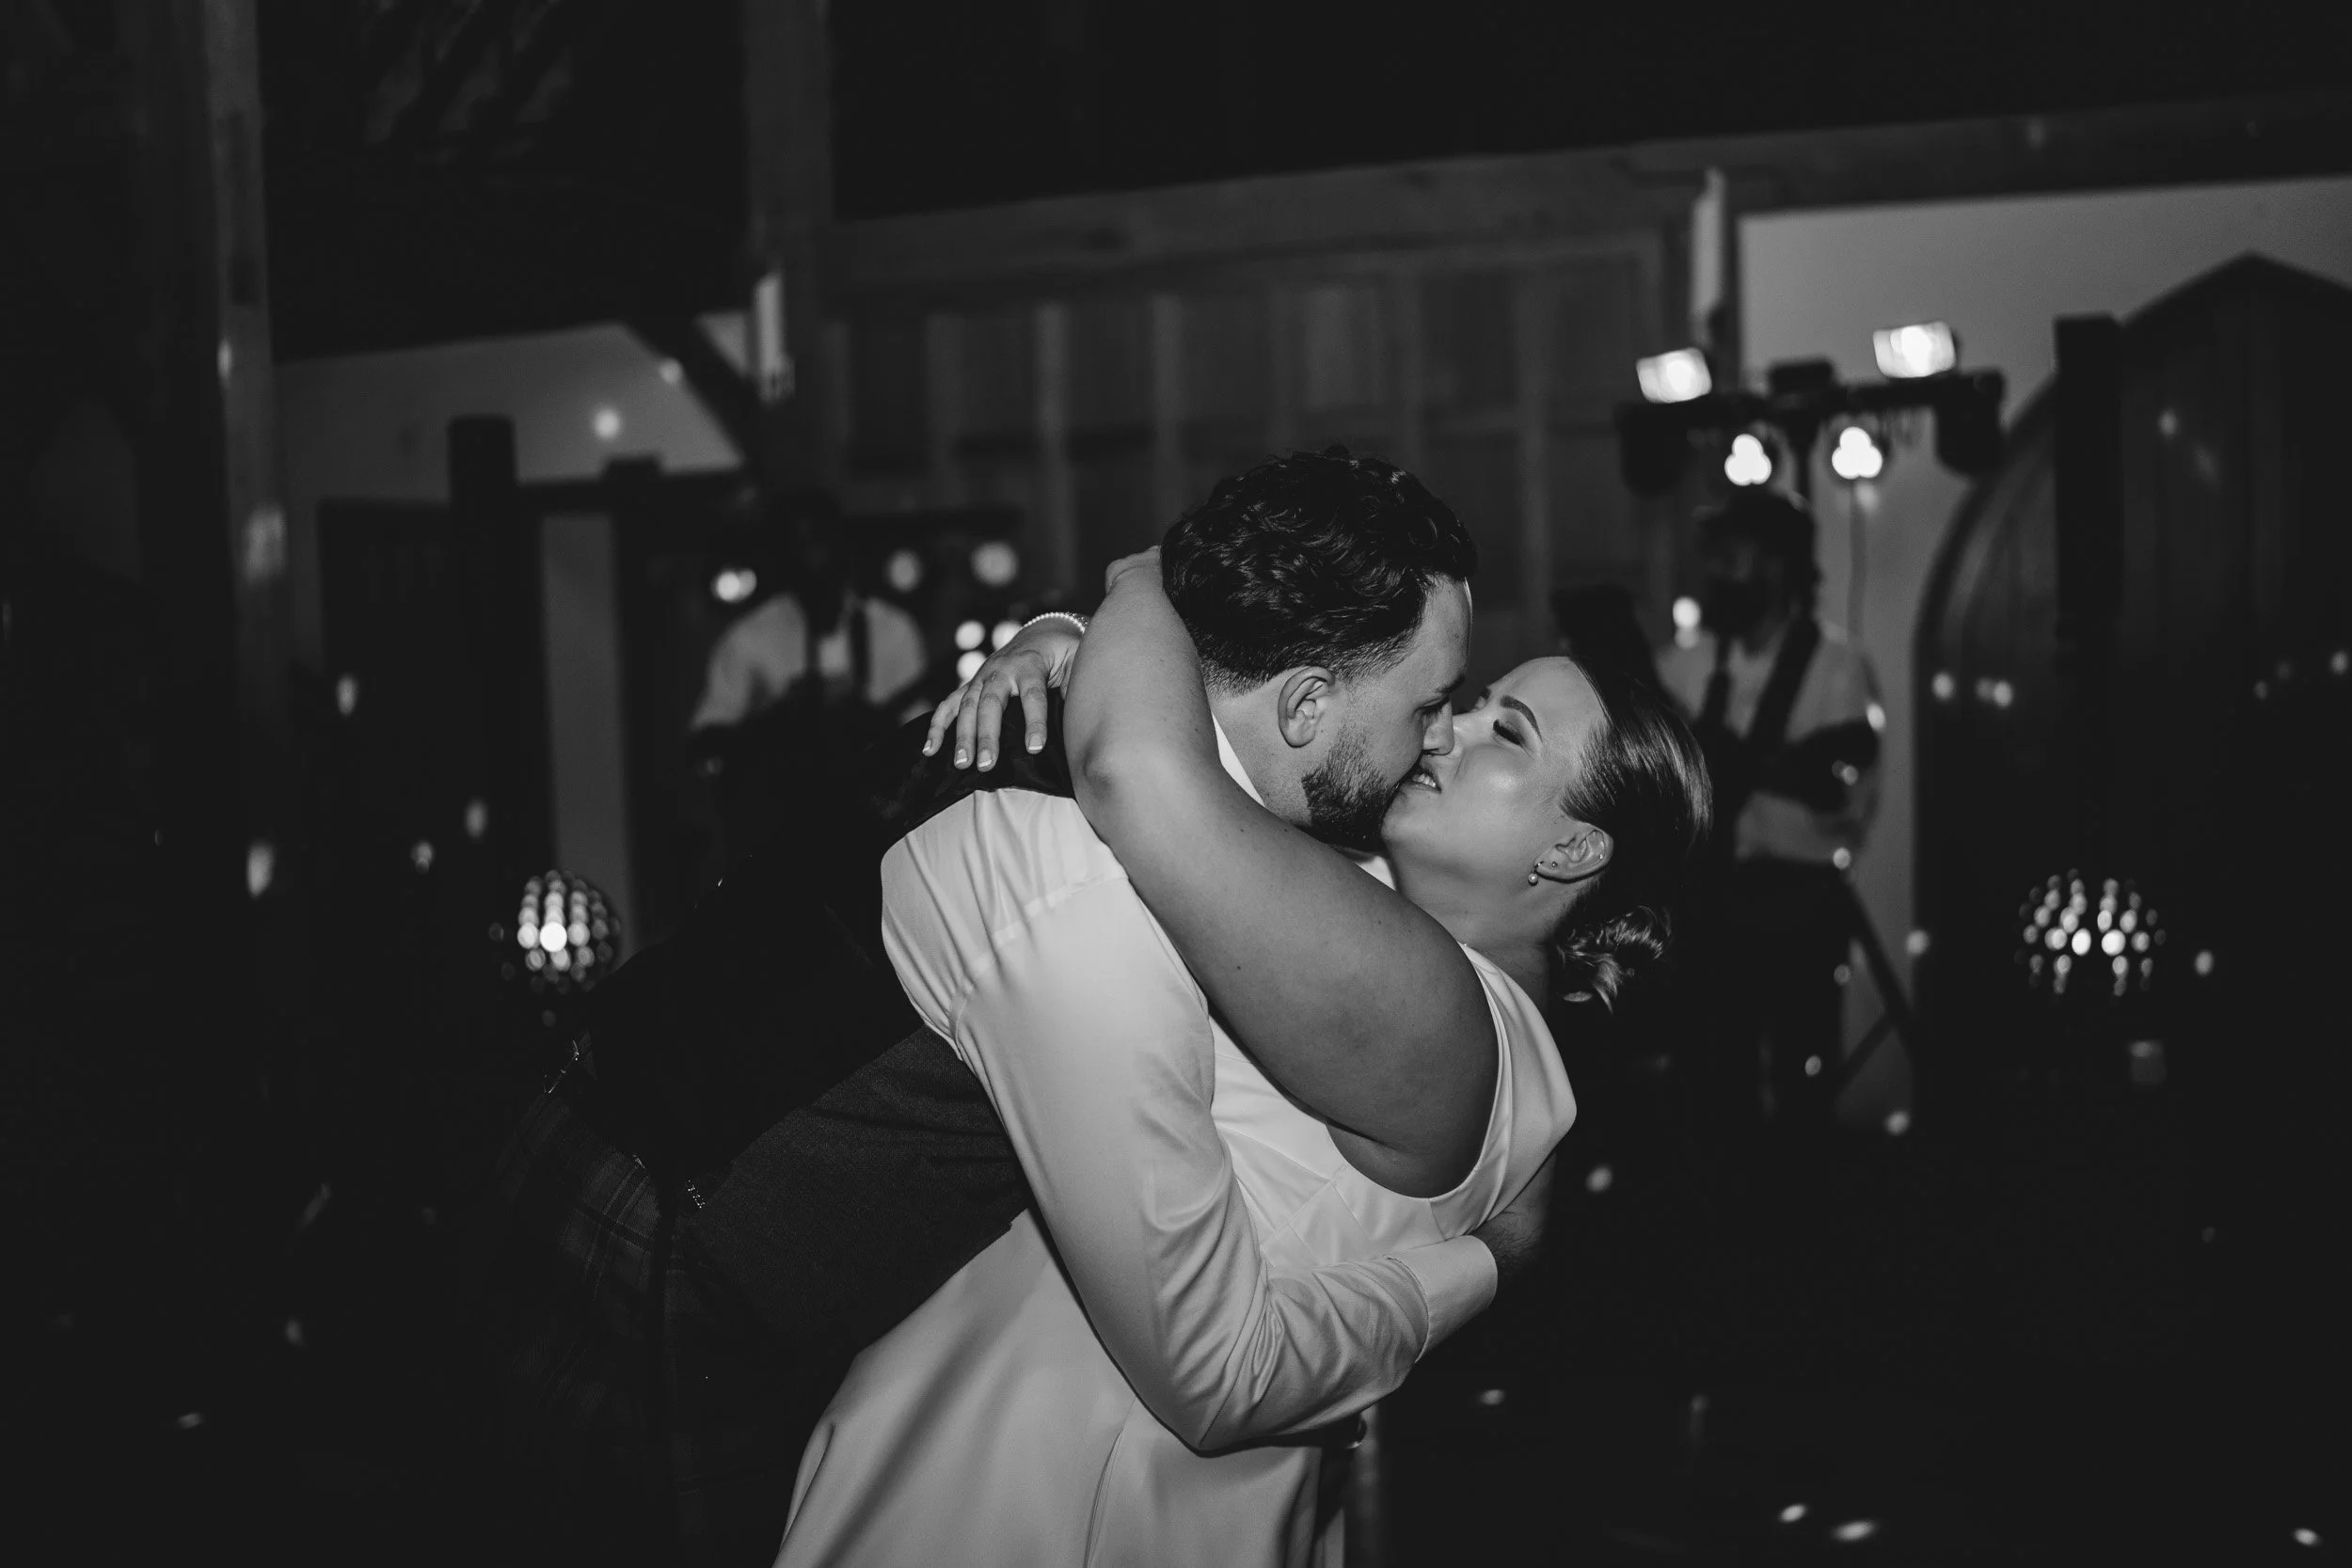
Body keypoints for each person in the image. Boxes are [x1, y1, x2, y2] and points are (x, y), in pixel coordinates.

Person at [778, 492, 1711, 1560]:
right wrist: (1063, 643)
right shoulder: (1372, 913)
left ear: (1571, 851)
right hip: (1050, 1419)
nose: (1444, 727)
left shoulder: (1442, 999)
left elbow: (1145, 771)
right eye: (1468, 698)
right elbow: (1210, 752)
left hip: (1078, 1474)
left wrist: (1138, 582)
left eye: (1507, 732)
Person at [1654, 488, 1883, 1138]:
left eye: (1734, 554)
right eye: (1715, 555)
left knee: (1800, 1081)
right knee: (1715, 1078)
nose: (1718, 570)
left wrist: (1740, 761)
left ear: (1779, 565)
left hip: (1799, 900)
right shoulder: (1690, 662)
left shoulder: (1836, 665)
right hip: (1710, 900)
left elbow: (1844, 793)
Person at [688, 489, 930, 877]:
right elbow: (709, 743)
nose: (812, 558)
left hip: (876, 834)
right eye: (797, 544)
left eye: (820, 541)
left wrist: (865, 719)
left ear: (843, 546)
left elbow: (923, 738)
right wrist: (780, 716)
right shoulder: (751, 636)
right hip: (784, 837)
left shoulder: (892, 629)